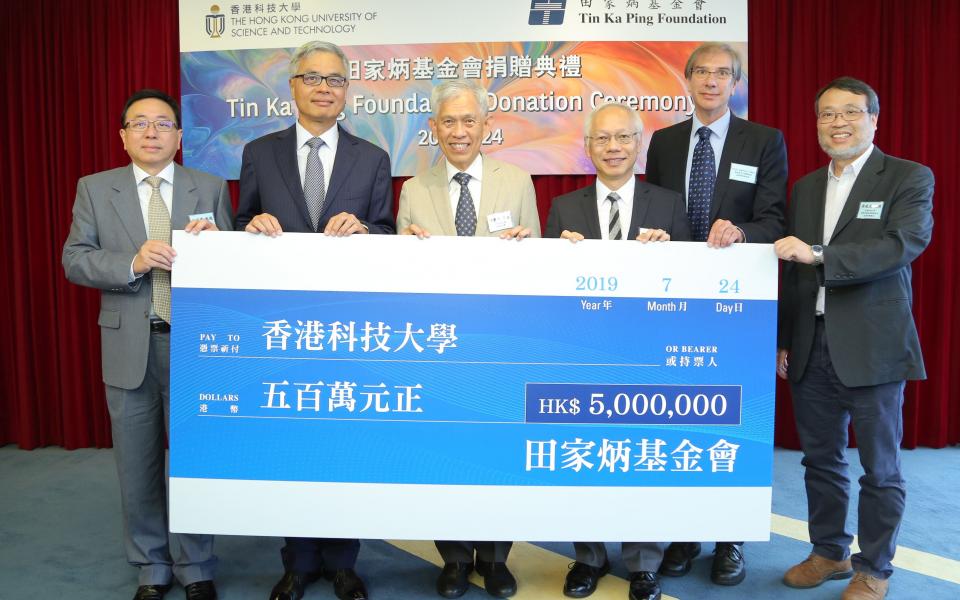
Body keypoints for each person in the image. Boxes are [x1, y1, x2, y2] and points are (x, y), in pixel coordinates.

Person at [237, 41, 395, 600]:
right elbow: (241, 224)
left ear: (347, 91)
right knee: (290, 441)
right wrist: (252, 225)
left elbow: (387, 233)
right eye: (313, 78)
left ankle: (345, 561)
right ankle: (298, 560)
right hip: (281, 329)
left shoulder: (373, 158)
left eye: (335, 79)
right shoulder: (259, 152)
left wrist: (366, 230)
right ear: (294, 86)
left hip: (348, 329)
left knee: (345, 442)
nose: (325, 87)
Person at [62, 89, 232, 600]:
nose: (152, 132)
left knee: (192, 459)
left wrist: (217, 242)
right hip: (129, 344)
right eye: (140, 124)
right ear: (123, 137)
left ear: (180, 136)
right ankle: (151, 566)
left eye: (163, 124)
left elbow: (235, 264)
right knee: (136, 464)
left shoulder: (210, 186)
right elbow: (75, 260)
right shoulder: (95, 189)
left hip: (193, 348)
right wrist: (132, 263)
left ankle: (197, 564)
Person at [774, 77, 933, 600]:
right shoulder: (805, 187)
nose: (837, 123)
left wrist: (821, 255)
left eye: (850, 113)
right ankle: (829, 552)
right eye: (826, 115)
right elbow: (791, 272)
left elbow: (902, 244)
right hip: (811, 345)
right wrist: (785, 339)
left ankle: (875, 569)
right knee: (820, 459)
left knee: (879, 468)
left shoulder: (907, 177)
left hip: (872, 345)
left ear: (873, 119)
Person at [644, 42, 788, 585]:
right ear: (687, 79)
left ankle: (730, 539)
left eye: (722, 73)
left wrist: (743, 233)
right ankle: (683, 533)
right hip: (674, 303)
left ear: (736, 83)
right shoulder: (664, 142)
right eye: (701, 72)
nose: (710, 81)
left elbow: (776, 219)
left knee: (735, 418)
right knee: (680, 415)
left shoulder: (765, 140)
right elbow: (656, 211)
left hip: (737, 304)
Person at [396, 79, 539, 599]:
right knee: (443, 449)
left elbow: (538, 268)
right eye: (448, 122)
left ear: (486, 127)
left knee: (498, 450)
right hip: (437, 345)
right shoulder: (414, 189)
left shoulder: (517, 181)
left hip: (501, 343)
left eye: (469, 121)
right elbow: (398, 280)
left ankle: (496, 557)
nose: (459, 132)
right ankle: (454, 557)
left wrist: (529, 245)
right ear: (433, 129)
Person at [545, 102, 689, 600]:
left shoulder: (670, 205)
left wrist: (668, 249)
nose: (613, 148)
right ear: (588, 148)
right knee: (582, 457)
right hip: (580, 355)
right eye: (602, 139)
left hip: (648, 354)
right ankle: (587, 557)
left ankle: (644, 563)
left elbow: (690, 285)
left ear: (638, 143)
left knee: (641, 458)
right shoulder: (564, 208)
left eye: (623, 138)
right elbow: (546, 290)